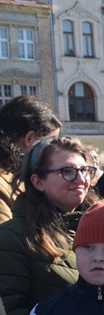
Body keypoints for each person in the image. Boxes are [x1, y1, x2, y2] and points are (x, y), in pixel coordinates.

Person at [0, 136, 97, 315]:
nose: (81, 179)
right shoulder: (12, 237)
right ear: (38, 181)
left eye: (85, 171)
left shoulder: (99, 227)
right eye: (67, 171)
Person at [0, 96, 61, 225]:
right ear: (30, 138)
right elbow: (7, 240)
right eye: (51, 142)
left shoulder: (18, 177)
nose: (55, 149)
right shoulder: (5, 184)